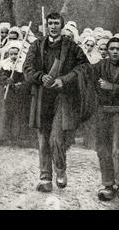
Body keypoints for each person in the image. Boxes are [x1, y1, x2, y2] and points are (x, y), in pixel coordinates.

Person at [23, 12, 89, 192]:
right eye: (50, 23)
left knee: (56, 139)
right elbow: (27, 68)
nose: (53, 26)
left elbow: (84, 67)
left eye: (56, 23)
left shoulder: (72, 47)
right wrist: (40, 76)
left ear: (62, 25)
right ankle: (45, 178)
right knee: (43, 138)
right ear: (46, 25)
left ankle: (60, 170)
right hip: (42, 97)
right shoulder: (36, 45)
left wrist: (64, 80)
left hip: (63, 98)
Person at [93, 37, 119, 201]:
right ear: (107, 51)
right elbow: (89, 82)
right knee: (102, 149)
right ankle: (107, 185)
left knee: (117, 151)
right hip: (102, 112)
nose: (115, 51)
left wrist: (112, 87)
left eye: (118, 49)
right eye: (112, 48)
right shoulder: (99, 66)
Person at [0, 41, 30, 144]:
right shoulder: (4, 63)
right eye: (11, 54)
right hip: (6, 90)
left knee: (17, 113)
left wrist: (21, 84)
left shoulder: (23, 64)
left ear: (20, 53)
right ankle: (4, 136)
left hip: (18, 92)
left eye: (16, 54)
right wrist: (5, 80)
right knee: (5, 113)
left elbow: (26, 78)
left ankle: (17, 136)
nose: (14, 56)